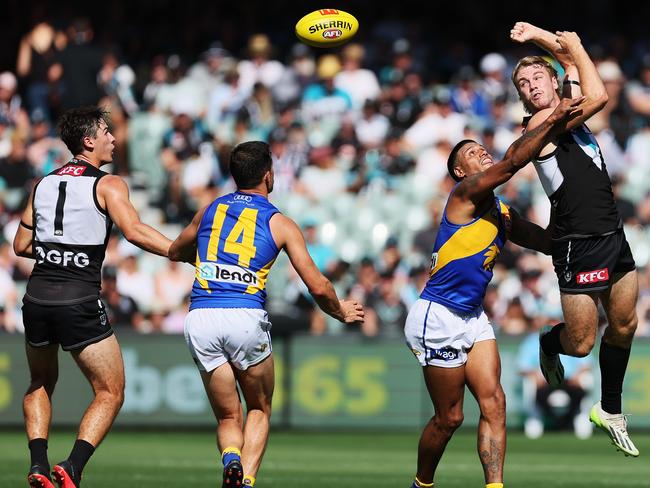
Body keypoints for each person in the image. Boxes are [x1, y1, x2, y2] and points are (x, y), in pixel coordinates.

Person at [404, 96, 582, 488]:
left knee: (495, 404)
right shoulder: (464, 195)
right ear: (458, 169)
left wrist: (577, 222)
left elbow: (543, 240)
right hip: (438, 314)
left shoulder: (498, 211)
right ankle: (421, 483)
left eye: (480, 147)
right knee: (449, 418)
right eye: (470, 152)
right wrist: (551, 122)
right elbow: (512, 163)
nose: (479, 151)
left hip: (472, 316)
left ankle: (495, 486)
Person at [168, 140, 364, 488]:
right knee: (259, 408)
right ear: (268, 176)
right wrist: (340, 311)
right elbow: (317, 286)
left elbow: (177, 249)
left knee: (229, 414)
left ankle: (230, 457)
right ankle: (245, 481)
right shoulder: (280, 222)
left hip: (201, 314)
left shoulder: (210, 209)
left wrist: (205, 261)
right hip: (244, 314)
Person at [13, 106, 172, 488]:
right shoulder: (109, 184)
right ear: (89, 141)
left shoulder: (43, 184)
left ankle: (38, 465)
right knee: (111, 391)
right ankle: (72, 466)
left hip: (36, 298)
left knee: (39, 382)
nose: (114, 138)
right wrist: (180, 252)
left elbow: (21, 244)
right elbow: (134, 232)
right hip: (78, 299)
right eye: (106, 132)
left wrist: (59, 250)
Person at [510, 22, 640, 457]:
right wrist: (573, 44)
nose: (530, 87)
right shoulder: (544, 121)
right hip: (577, 243)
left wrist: (540, 36)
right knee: (581, 344)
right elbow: (598, 92)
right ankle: (551, 342)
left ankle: (610, 408)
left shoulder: (565, 106)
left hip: (611, 232)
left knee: (624, 325)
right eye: (522, 84)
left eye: (536, 78)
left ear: (551, 81)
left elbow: (568, 62)